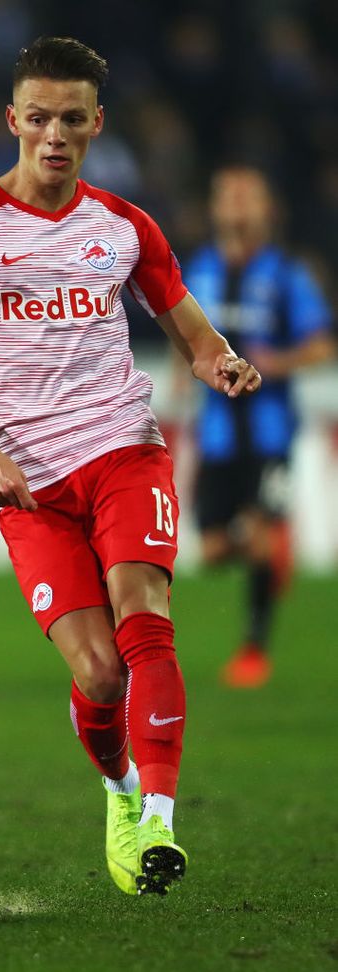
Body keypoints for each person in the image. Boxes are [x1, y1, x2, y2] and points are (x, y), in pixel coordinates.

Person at [0, 37, 261, 896]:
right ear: (11, 120)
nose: (54, 134)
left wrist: (223, 361)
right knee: (97, 672)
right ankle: (121, 790)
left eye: (72, 119)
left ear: (96, 124)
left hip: (123, 450)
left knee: (146, 617)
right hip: (29, 484)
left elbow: (193, 332)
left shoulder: (126, 228)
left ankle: (163, 825)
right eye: (40, 117)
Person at [185, 166, 334, 689]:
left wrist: (281, 362)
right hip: (217, 434)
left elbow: (321, 344)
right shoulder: (198, 271)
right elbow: (182, 333)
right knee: (212, 550)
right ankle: (272, 550)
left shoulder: (287, 274)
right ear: (215, 208)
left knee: (263, 538)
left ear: (268, 209)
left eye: (248, 196)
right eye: (228, 196)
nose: (238, 206)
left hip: (270, 433)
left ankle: (253, 649)